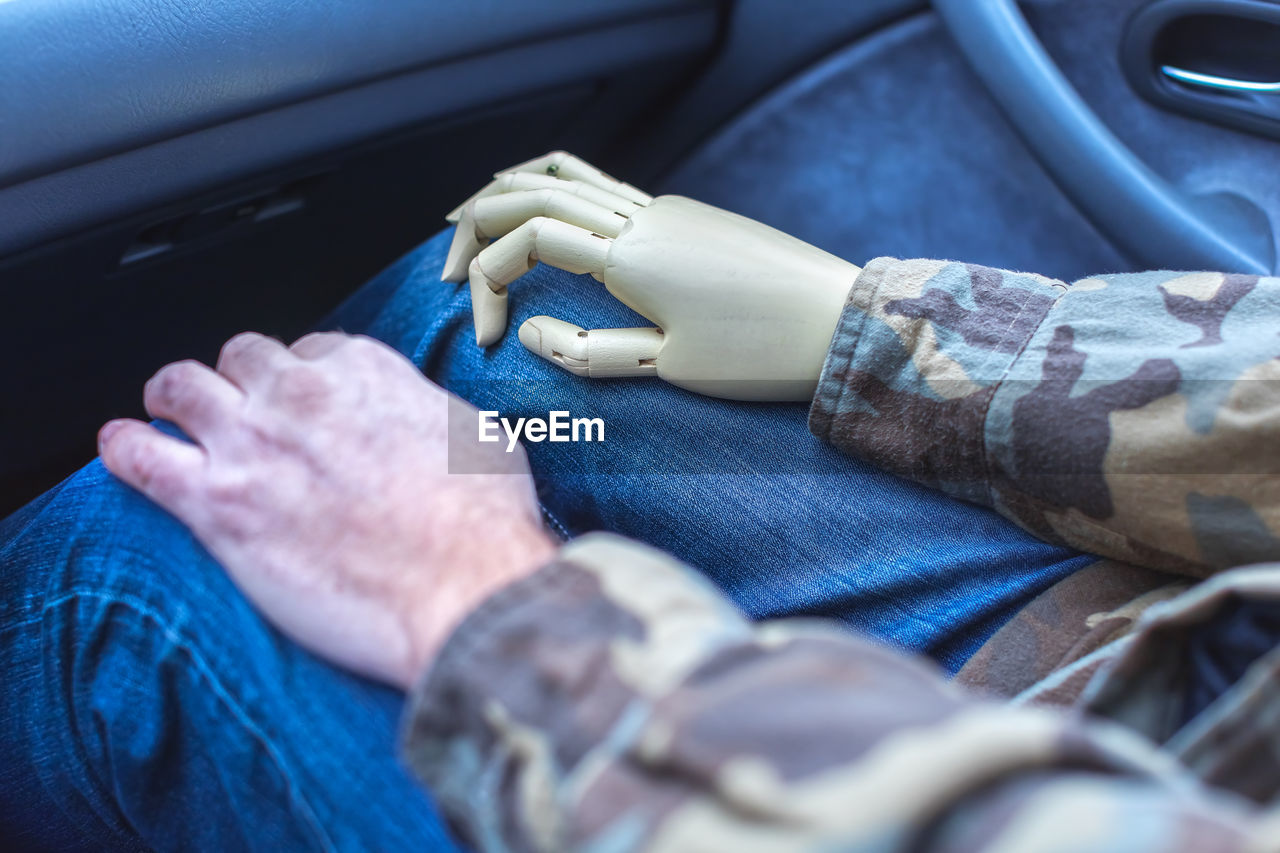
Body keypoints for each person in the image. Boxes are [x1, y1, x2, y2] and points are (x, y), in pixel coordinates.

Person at [2, 161, 1278, 850]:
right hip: (1168, 663)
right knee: (499, 317)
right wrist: (890, 337)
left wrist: (490, 612)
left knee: (138, 577)